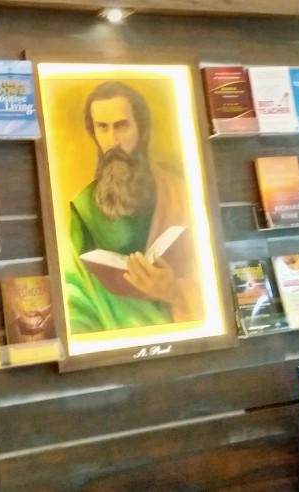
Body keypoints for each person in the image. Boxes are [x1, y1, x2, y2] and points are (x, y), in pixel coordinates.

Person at [66, 81, 202, 334]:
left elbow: (209, 270)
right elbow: (74, 291)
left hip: (182, 330)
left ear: (143, 129)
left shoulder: (178, 192)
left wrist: (173, 290)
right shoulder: (82, 206)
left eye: (122, 126)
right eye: (102, 128)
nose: (113, 140)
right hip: (111, 331)